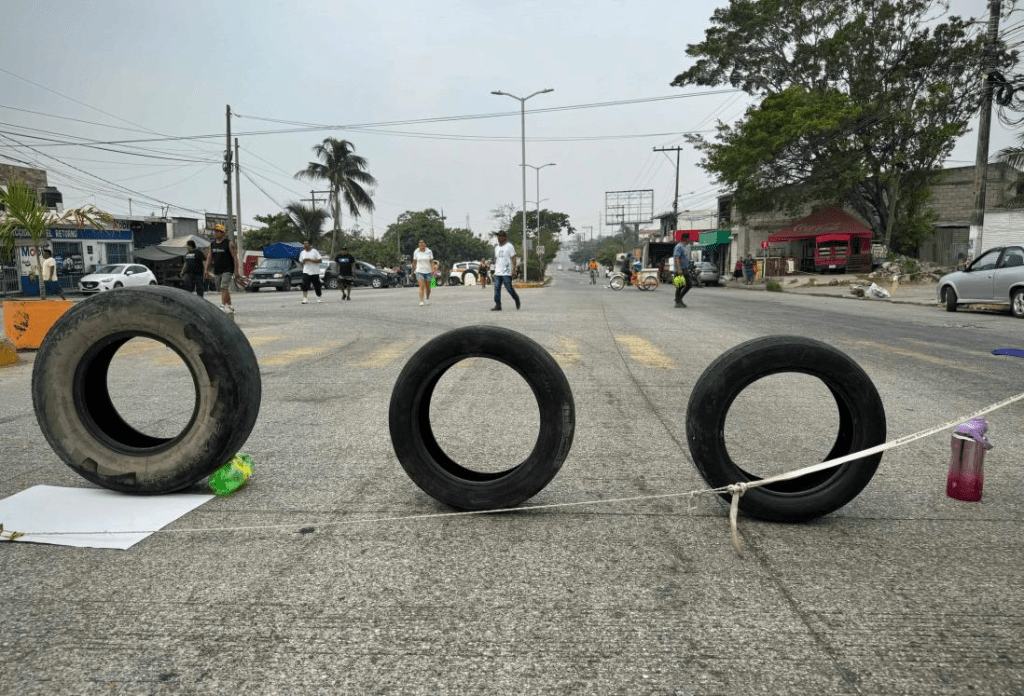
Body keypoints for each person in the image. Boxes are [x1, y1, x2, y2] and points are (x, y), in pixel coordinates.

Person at [204, 224, 239, 313]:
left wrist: (237, 271)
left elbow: (235, 257)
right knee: (222, 289)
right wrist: (206, 270)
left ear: (222, 233)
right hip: (217, 269)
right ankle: (230, 305)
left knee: (224, 286)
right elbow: (209, 257)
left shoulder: (228, 243)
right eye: (214, 231)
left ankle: (223, 305)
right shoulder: (212, 244)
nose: (215, 233)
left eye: (217, 231)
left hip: (228, 269)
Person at [491, 230, 520, 311]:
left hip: (507, 272)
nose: (499, 238)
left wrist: (514, 270)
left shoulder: (509, 246)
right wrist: (494, 270)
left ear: (504, 237)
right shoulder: (496, 248)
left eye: (500, 236)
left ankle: (516, 299)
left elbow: (513, 258)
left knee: (509, 288)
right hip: (498, 272)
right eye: (498, 236)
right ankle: (498, 305)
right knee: (496, 288)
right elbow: (497, 260)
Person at [412, 239, 434, 306]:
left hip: (428, 271)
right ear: (419, 245)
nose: (421, 245)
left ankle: (427, 298)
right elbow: (414, 262)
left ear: (425, 244)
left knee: (428, 287)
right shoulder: (416, 251)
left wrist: (433, 269)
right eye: (420, 244)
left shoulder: (429, 251)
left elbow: (431, 261)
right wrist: (412, 271)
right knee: (421, 286)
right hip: (419, 271)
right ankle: (421, 300)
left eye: (422, 243)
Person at [672, 239, 691, 308]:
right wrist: (679, 269)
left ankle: (678, 299)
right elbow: (677, 258)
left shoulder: (686, 247)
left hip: (685, 268)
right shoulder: (679, 246)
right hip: (679, 269)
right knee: (680, 285)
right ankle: (677, 301)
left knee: (688, 285)